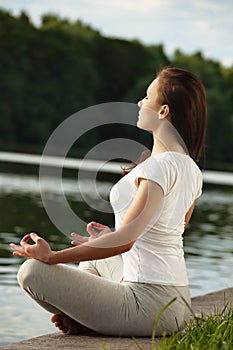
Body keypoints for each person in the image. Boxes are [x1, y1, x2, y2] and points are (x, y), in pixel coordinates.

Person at [10, 67, 207, 337]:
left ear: (163, 111)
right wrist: (110, 238)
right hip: (178, 300)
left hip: (151, 306)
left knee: (31, 272)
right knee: (92, 260)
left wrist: (53, 257)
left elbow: (127, 240)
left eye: (147, 97)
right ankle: (83, 318)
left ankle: (87, 319)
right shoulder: (190, 168)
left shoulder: (160, 167)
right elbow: (171, 229)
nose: (140, 103)